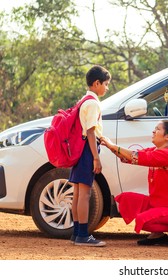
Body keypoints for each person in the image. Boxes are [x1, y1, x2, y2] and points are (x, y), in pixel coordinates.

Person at [100, 120, 168, 248]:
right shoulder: (154, 150)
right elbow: (129, 157)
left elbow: (136, 156)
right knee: (126, 198)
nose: (153, 131)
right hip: (159, 204)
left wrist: (112, 145)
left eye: (158, 129)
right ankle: (158, 235)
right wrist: (109, 146)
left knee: (143, 221)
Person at [69, 65, 111, 247]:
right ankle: (84, 235)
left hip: (79, 148)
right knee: (85, 194)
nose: (106, 88)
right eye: (106, 84)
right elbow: (91, 132)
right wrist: (96, 157)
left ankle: (77, 232)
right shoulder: (93, 103)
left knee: (78, 193)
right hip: (87, 149)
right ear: (97, 83)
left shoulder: (83, 100)